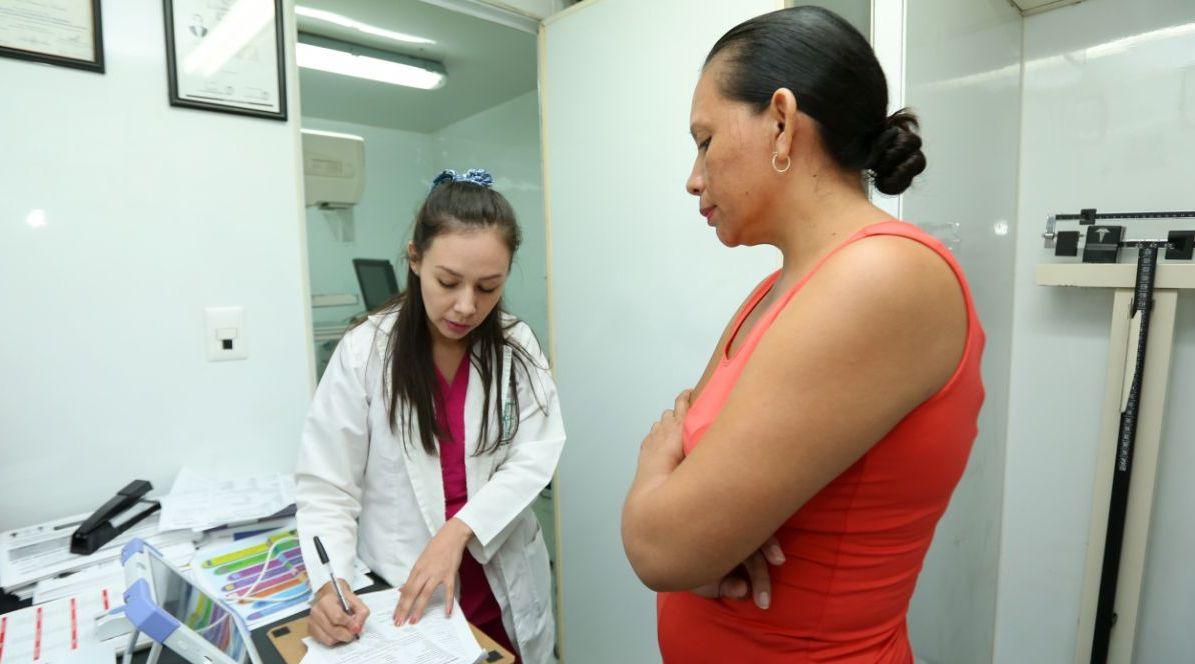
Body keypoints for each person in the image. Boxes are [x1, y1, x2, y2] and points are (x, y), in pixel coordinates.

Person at [620, 7, 985, 663]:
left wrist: (660, 481)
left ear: (782, 122)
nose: (693, 177)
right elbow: (690, 456)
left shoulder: (881, 276)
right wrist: (703, 531)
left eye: (704, 140)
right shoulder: (775, 291)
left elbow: (660, 546)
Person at [296, 169, 564, 663]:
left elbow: (535, 457)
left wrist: (457, 531)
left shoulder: (515, 346)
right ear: (415, 259)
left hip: (499, 594)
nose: (466, 306)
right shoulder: (364, 352)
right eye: (448, 282)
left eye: (488, 287)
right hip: (406, 597)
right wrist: (328, 587)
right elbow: (328, 489)